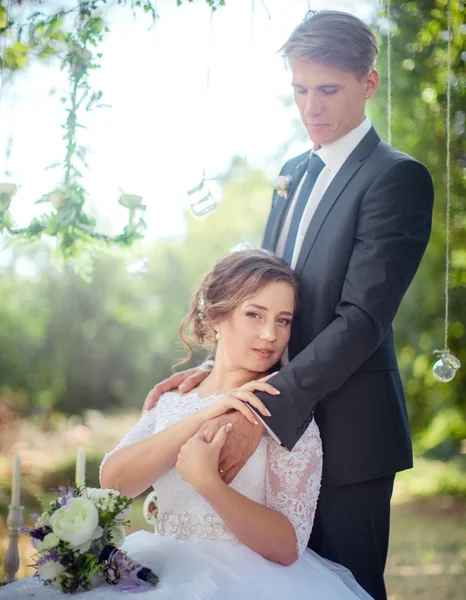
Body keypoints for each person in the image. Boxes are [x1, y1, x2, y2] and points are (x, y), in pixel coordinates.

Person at [142, 11, 434, 600]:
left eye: (328, 90)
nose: (312, 108)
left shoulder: (397, 178)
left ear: (369, 83)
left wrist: (258, 413)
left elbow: (361, 321)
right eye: (300, 90)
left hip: (350, 432)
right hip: (272, 433)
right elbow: (265, 296)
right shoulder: (291, 174)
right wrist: (214, 375)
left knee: (343, 588)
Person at [1, 250, 372, 600]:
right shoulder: (173, 401)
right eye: (254, 315)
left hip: (248, 581)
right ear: (215, 316)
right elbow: (115, 482)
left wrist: (209, 483)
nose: (270, 335)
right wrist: (203, 413)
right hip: (160, 563)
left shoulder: (282, 412)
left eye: (283, 320)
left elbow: (287, 546)